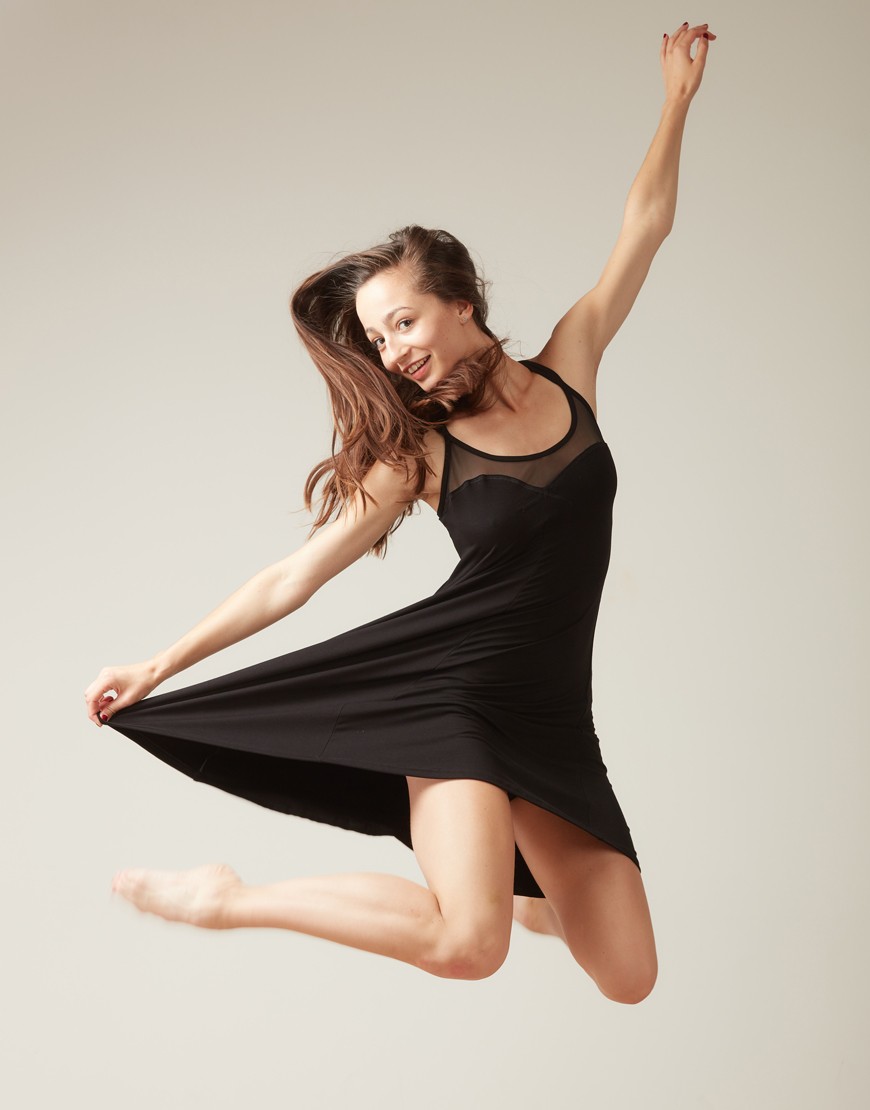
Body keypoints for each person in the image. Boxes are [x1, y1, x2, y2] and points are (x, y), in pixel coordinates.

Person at [84, 23, 714, 1000]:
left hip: (552, 714)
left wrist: (675, 101)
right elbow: (292, 577)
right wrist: (158, 665)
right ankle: (230, 898)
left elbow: (645, 228)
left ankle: (519, 885)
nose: (393, 352)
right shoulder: (422, 454)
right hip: (452, 697)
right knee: (469, 945)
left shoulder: (572, 365)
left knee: (629, 976)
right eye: (379, 339)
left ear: (461, 301)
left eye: (404, 322)